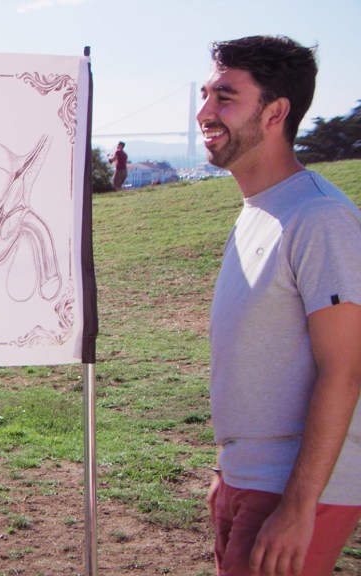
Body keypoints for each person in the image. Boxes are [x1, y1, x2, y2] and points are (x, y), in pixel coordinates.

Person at [199, 35, 361, 576]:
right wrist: (228, 472)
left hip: (295, 492)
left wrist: (297, 506)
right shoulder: (259, 211)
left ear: (275, 113)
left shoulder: (319, 217)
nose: (205, 112)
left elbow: (345, 371)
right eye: (206, 95)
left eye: (225, 98)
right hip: (247, 478)